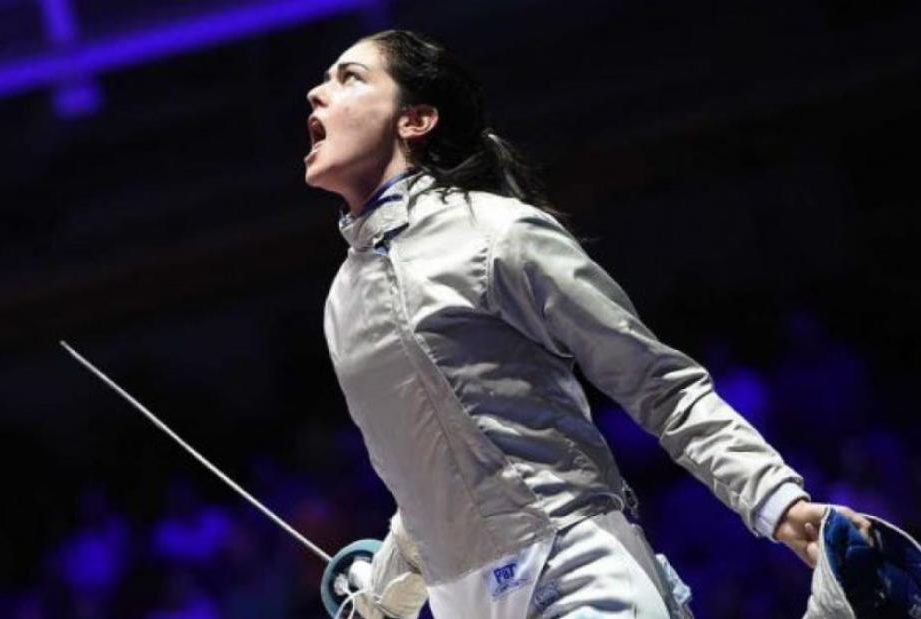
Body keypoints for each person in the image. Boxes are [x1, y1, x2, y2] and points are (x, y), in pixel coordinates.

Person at [304, 29, 870, 619]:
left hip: (572, 571)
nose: (317, 94)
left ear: (415, 120)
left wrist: (775, 499)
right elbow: (438, 474)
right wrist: (381, 590)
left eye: (350, 78)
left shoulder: (494, 233)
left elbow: (659, 385)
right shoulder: (343, 301)